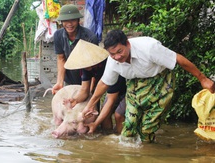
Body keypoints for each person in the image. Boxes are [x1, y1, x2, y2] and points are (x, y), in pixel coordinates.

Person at [82, 29, 215, 142]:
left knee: (147, 129)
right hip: (135, 83)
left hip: (160, 81)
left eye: (119, 51)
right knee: (128, 125)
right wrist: (90, 105)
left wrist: (202, 79)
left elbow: (178, 59)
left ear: (127, 44)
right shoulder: (113, 61)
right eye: (112, 54)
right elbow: (104, 83)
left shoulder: (149, 48)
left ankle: (147, 149)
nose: (117, 57)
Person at [64, 39, 127, 134]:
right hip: (108, 88)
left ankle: (120, 138)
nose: (86, 67)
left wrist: (95, 124)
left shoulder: (109, 64)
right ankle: (107, 137)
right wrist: (75, 100)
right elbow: (84, 90)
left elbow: (111, 99)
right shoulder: (86, 68)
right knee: (105, 117)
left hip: (124, 88)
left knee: (119, 115)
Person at [52, 4, 98, 94]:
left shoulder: (90, 37)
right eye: (66, 21)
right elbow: (61, 59)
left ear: (78, 20)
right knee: (69, 104)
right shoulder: (58, 35)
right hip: (69, 80)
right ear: (62, 21)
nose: (69, 24)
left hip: (88, 80)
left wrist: (91, 90)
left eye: (73, 20)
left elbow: (95, 66)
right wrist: (59, 82)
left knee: (89, 106)